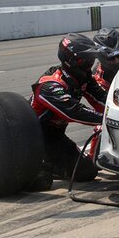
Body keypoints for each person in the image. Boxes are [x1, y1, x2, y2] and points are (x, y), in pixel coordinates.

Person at [29, 33, 107, 189]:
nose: (90, 63)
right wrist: (108, 119)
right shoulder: (50, 84)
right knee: (40, 183)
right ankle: (38, 166)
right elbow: (73, 112)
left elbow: (102, 101)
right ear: (73, 61)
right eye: (87, 60)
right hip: (32, 139)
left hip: (55, 137)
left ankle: (53, 165)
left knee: (87, 172)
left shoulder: (83, 78)